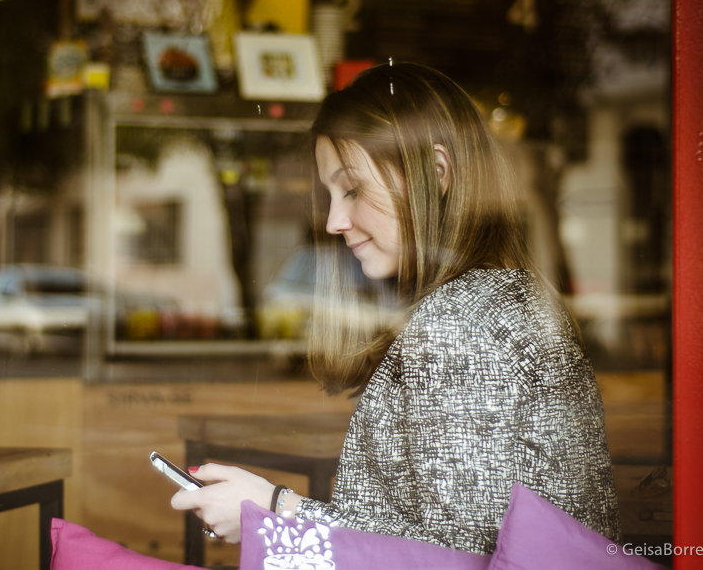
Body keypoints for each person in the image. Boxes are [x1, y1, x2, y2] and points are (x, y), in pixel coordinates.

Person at [171, 63, 620, 555]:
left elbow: (455, 558)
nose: (334, 221)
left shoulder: (459, 323)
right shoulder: (500, 299)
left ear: (436, 172)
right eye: (330, 195)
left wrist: (276, 509)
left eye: (352, 189)